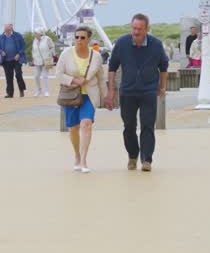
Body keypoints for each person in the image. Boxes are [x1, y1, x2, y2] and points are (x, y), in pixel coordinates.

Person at [105, 13, 170, 172]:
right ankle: (132, 156)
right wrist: (111, 91)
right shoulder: (122, 43)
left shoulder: (156, 44)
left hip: (148, 91)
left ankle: (146, 159)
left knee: (148, 125)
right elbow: (112, 67)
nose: (136, 32)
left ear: (147, 29)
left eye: (140, 29)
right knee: (129, 126)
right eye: (134, 28)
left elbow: (163, 67)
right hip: (127, 92)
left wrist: (161, 87)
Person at [56, 25, 107, 173]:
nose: (79, 40)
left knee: (86, 124)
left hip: (89, 95)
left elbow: (101, 78)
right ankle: (77, 156)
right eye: (77, 37)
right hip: (71, 95)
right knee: (73, 128)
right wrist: (73, 80)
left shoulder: (96, 56)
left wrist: (106, 97)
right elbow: (58, 75)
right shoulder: (66, 54)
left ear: (89, 39)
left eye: (82, 37)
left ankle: (84, 160)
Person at [0, 23, 27, 98]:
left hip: (17, 59)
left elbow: (23, 46)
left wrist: (19, 54)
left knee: (18, 74)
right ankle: (10, 93)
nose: (7, 31)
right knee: (9, 77)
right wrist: (1, 52)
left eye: (8, 30)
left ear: (11, 29)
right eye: (5, 30)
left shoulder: (18, 36)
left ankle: (21, 90)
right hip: (6, 60)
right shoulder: (1, 37)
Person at [31, 29, 56, 97]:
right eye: (35, 34)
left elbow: (52, 47)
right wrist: (33, 57)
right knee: (36, 76)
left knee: (45, 76)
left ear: (40, 33)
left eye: (36, 33)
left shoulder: (47, 39)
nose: (35, 35)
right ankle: (39, 90)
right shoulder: (35, 40)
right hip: (37, 60)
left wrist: (50, 55)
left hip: (46, 60)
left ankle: (46, 91)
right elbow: (33, 50)